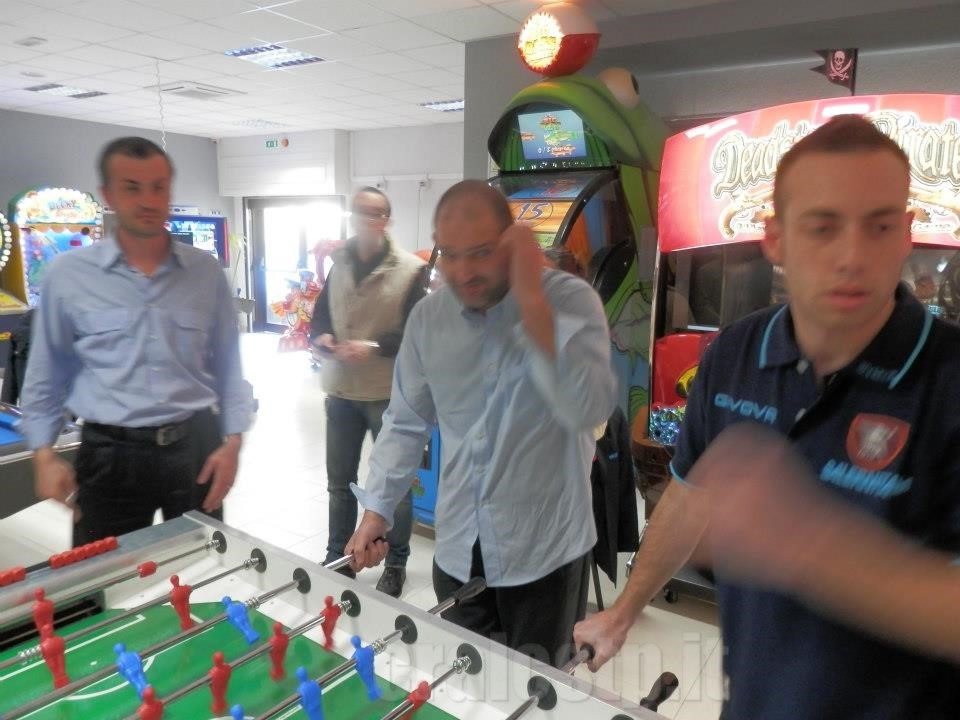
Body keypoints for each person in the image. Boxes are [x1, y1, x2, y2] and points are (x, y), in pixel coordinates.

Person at [573, 115, 960, 718]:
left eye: (880, 226)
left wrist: (805, 544)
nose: (853, 256)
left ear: (908, 233)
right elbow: (689, 496)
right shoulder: (733, 354)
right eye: (822, 227)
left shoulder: (949, 380)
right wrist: (624, 611)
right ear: (775, 239)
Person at [346, 180, 616, 667]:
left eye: (481, 253)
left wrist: (532, 304)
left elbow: (588, 407)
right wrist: (376, 511)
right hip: (458, 546)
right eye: (450, 255)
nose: (464, 271)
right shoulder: (429, 320)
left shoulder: (571, 303)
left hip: (546, 552)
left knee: (537, 690)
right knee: (467, 689)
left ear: (513, 243)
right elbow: (406, 422)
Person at [21, 136, 254, 547]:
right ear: (108, 194)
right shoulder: (68, 276)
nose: (148, 200)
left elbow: (229, 368)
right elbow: (47, 371)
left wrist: (233, 441)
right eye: (132, 187)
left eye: (158, 187)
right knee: (103, 574)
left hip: (196, 447)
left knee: (202, 566)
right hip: (110, 453)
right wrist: (43, 452)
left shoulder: (205, 273)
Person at [309, 186, 426, 598]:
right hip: (340, 390)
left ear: (387, 219)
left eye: (375, 213)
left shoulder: (411, 269)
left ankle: (396, 561)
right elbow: (321, 316)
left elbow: (416, 330)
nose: (366, 219)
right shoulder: (339, 263)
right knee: (339, 483)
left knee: (394, 486)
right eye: (359, 211)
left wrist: (373, 346)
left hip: (386, 393)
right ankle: (337, 557)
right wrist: (322, 338)